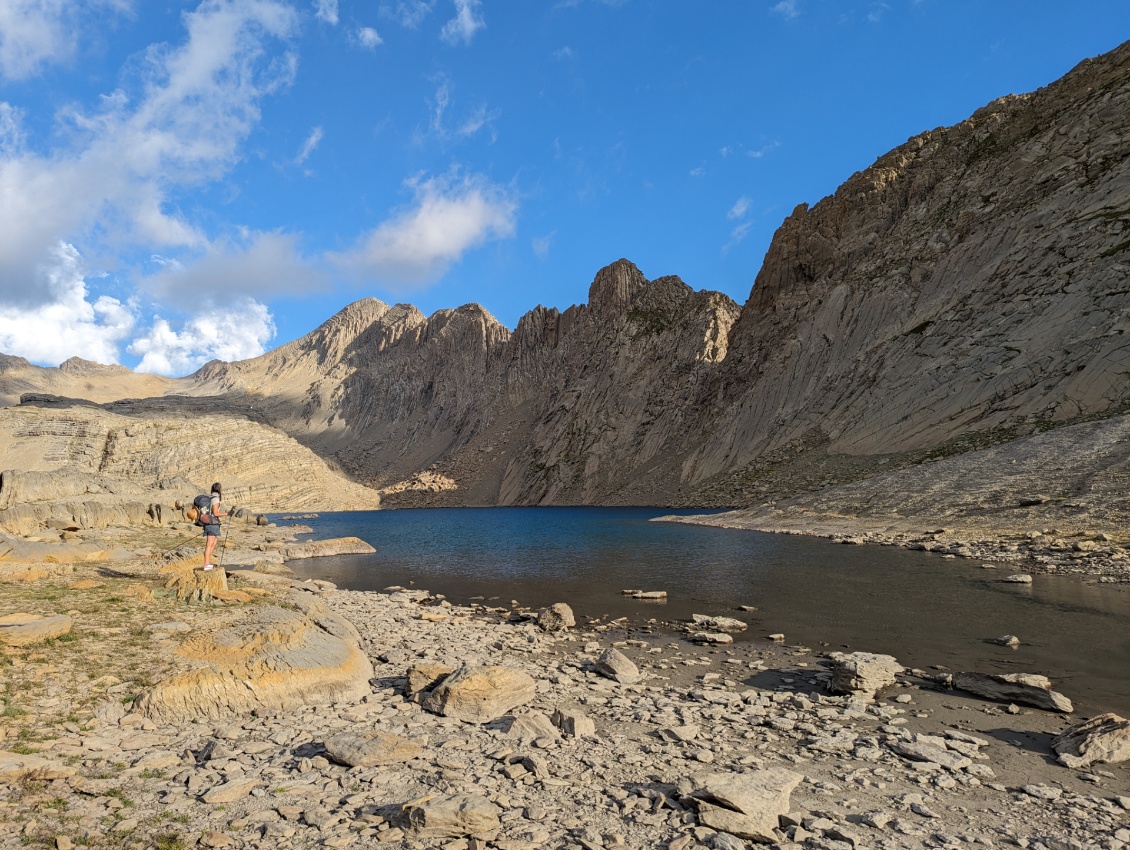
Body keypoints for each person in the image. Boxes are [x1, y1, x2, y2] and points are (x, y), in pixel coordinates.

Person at [202, 482, 232, 570]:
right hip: (212, 523)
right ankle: (206, 564)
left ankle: (208, 562)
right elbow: (215, 513)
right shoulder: (215, 498)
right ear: (219, 489)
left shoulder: (211, 497)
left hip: (212, 523)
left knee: (213, 543)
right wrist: (227, 514)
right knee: (209, 544)